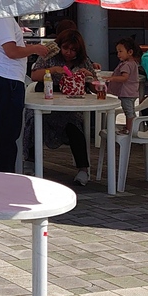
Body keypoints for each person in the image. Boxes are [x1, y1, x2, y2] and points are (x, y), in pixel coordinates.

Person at [0, 17, 50, 174]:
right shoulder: (3, 18)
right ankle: (4, 177)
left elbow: (11, 47)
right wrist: (34, 49)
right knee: (6, 135)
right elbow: (11, 51)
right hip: (6, 78)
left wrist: (31, 48)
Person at [29, 29, 98, 185]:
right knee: (33, 119)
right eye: (66, 48)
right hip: (46, 98)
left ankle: (83, 168)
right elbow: (34, 75)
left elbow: (94, 88)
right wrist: (52, 71)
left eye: (73, 50)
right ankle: (30, 161)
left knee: (75, 124)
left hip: (71, 103)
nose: (68, 53)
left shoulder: (83, 61)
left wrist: (89, 77)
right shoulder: (50, 56)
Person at [106, 36, 143, 128]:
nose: (118, 54)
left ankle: (129, 129)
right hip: (132, 92)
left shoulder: (126, 65)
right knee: (130, 111)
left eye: (120, 51)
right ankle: (131, 128)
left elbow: (124, 78)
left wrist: (112, 78)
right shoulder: (133, 63)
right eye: (117, 52)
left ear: (130, 52)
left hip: (126, 93)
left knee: (128, 112)